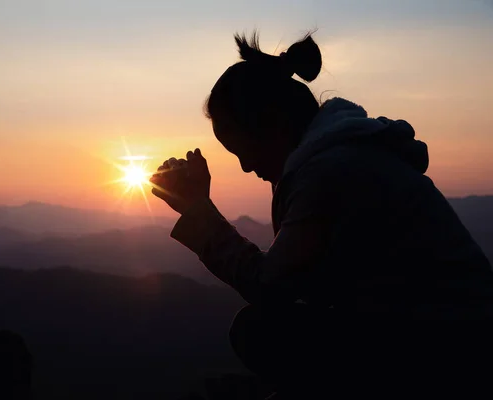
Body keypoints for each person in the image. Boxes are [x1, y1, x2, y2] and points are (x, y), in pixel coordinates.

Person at [150, 31, 493, 398]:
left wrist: (199, 212)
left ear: (274, 126)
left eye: (242, 151)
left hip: (452, 349)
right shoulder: (341, 156)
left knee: (258, 331)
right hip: (450, 330)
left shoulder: (329, 174)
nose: (247, 167)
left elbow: (272, 286)